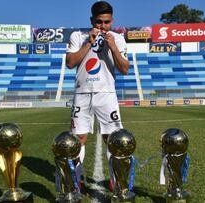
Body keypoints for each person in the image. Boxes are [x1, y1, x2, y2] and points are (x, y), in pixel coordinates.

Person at [65, 1, 130, 190]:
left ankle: (116, 180)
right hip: (82, 93)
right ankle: (74, 180)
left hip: (106, 93)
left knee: (112, 139)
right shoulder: (78, 36)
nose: (103, 26)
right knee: (79, 138)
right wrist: (88, 43)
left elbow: (125, 69)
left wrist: (113, 48)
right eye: (99, 22)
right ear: (92, 20)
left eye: (107, 22)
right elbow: (70, 63)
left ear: (112, 21)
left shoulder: (117, 38)